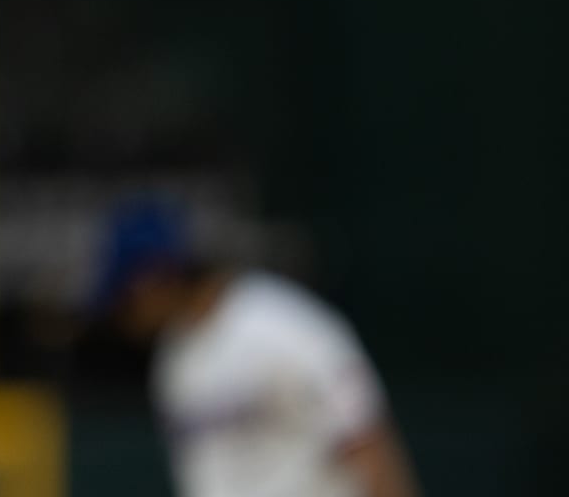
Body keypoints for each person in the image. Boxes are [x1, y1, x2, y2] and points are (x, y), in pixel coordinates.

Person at [94, 200, 420, 497]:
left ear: (152, 279)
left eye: (125, 301)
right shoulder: (172, 361)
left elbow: (371, 445)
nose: (123, 318)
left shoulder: (284, 325)